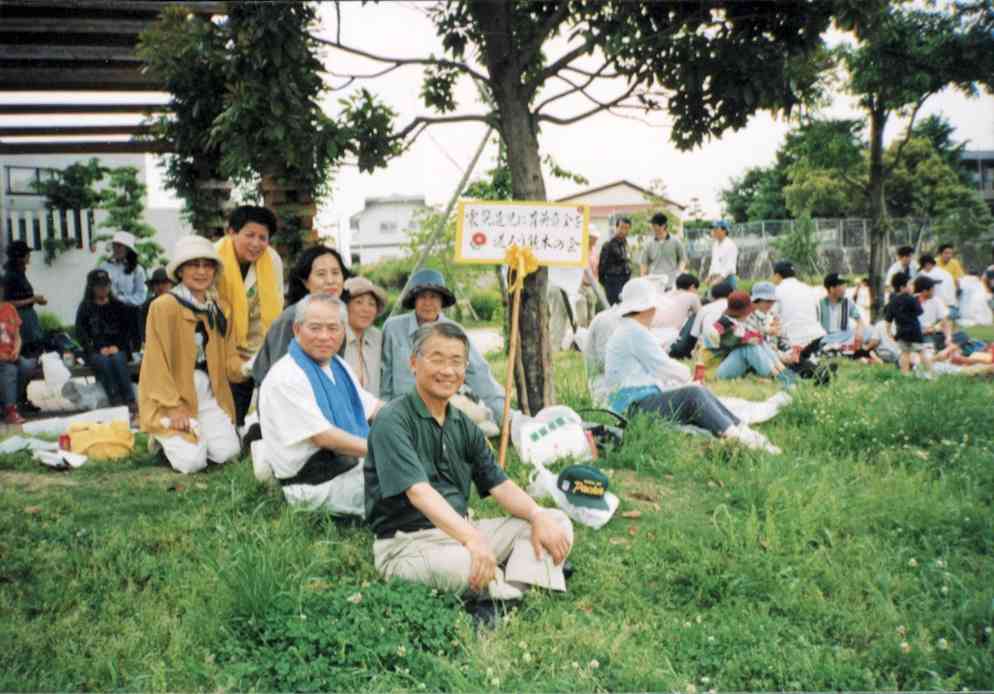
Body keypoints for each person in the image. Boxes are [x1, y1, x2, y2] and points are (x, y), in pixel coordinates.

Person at [365, 322, 574, 607]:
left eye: (456, 362)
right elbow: (419, 493)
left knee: (555, 522)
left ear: (465, 369)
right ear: (413, 363)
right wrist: (473, 540)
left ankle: (504, 587)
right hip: (409, 545)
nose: (448, 371)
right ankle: (522, 580)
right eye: (437, 359)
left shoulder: (463, 424)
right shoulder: (392, 419)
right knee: (461, 566)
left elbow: (500, 485)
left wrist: (537, 514)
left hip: (464, 532)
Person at [603, 278, 780, 453]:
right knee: (693, 393)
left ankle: (740, 428)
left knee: (699, 392)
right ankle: (735, 435)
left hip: (633, 402)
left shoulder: (629, 329)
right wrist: (686, 375)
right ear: (647, 308)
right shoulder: (635, 332)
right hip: (633, 407)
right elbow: (664, 367)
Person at [258, 294, 381, 514]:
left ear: (344, 331)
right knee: (408, 487)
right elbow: (324, 437)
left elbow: (372, 407)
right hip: (312, 485)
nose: (325, 337)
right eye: (315, 328)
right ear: (297, 329)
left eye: (333, 328)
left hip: (346, 465)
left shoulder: (337, 364)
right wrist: (387, 450)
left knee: (421, 470)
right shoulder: (287, 376)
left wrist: (415, 420)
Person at [139, 235, 245, 474]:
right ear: (180, 270)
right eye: (193, 265)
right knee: (192, 463)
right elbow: (155, 362)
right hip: (173, 394)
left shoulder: (217, 309)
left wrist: (249, 368)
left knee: (228, 452)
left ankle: (195, 434)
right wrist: (172, 406)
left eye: (207, 265)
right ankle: (162, 435)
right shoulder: (164, 306)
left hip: (207, 392)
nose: (201, 272)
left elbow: (229, 359)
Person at [380, 269, 506, 424]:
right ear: (414, 300)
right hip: (403, 407)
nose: (428, 303)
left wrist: (504, 414)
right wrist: (384, 412)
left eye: (433, 297)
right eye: (422, 297)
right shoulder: (393, 327)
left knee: (476, 416)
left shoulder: (455, 330)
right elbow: (385, 374)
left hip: (442, 406)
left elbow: (479, 373)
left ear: (441, 301)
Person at [214, 205, 285, 426]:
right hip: (223, 344)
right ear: (232, 232)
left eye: (263, 237)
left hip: (259, 343)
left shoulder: (272, 260)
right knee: (231, 412)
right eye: (250, 235)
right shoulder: (213, 257)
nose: (256, 243)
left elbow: (277, 303)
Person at [252, 245, 350, 387]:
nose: (330, 280)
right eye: (321, 274)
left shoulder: (339, 317)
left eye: (335, 273)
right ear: (305, 282)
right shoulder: (291, 318)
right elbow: (279, 378)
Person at [75, 269, 137, 414]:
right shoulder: (85, 307)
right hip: (96, 351)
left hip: (118, 349)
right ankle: (115, 399)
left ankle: (130, 400)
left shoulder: (119, 306)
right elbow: (81, 333)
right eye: (98, 286)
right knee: (103, 362)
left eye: (105, 285)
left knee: (117, 359)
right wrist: (96, 349)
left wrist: (118, 346)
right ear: (91, 287)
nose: (103, 289)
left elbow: (127, 332)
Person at [702, 291, 795, 386]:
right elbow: (747, 339)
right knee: (749, 347)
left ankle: (785, 375)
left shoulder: (731, 322)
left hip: (723, 364)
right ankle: (782, 379)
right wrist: (766, 332)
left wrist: (764, 332)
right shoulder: (723, 326)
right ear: (744, 312)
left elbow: (753, 336)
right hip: (712, 372)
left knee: (758, 341)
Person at [99, 231, 147, 347]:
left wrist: (121, 299)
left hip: (129, 314)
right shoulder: (104, 267)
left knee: (131, 348)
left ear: (127, 249)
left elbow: (141, 296)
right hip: (108, 312)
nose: (117, 249)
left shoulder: (137, 270)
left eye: (120, 246)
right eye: (115, 245)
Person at [343, 276, 387, 397]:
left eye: (371, 304)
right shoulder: (335, 337)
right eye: (359, 302)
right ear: (345, 306)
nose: (366, 309)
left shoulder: (378, 337)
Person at [2, 240, 46, 359]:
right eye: (27, 253)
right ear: (19, 257)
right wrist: (32, 300)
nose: (29, 256)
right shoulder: (10, 276)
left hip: (28, 317)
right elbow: (7, 302)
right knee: (27, 353)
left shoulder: (20, 273)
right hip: (20, 319)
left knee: (36, 352)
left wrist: (35, 300)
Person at [668, 280, 732, 360]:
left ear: (712, 295)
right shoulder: (737, 308)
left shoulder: (705, 309)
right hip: (729, 349)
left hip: (707, 349)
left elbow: (694, 335)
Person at [0, 283, 36, 424]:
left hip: (11, 354)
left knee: (28, 366)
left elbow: (17, 336)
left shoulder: (9, 308)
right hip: (2, 358)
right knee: (10, 370)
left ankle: (8, 401)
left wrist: (16, 349)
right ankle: (10, 410)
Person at [883, 272, 931, 376]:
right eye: (910, 284)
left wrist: (889, 332)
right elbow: (920, 312)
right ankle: (930, 372)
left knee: (905, 353)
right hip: (914, 331)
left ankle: (904, 373)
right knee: (921, 351)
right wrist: (919, 301)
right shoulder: (911, 299)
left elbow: (888, 319)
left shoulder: (892, 301)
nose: (912, 287)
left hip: (901, 332)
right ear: (902, 287)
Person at [772, 261, 826, 349]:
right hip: (817, 336)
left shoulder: (776, 291)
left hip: (793, 343)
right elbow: (818, 314)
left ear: (777, 275)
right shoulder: (808, 288)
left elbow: (772, 318)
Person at [816, 273, 863, 351]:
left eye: (845, 285)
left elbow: (860, 321)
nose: (845, 288)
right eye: (842, 286)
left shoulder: (847, 302)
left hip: (846, 339)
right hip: (827, 340)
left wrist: (859, 332)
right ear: (832, 289)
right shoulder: (820, 304)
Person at [640, 212, 686, 288]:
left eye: (654, 225)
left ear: (663, 226)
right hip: (654, 282)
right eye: (652, 225)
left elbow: (682, 259)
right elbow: (643, 263)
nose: (652, 227)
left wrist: (679, 273)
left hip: (671, 281)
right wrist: (642, 279)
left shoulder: (676, 241)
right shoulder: (648, 243)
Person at [914, 275, 952, 355]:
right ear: (924, 291)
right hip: (918, 335)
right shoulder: (911, 302)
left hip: (934, 334)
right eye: (932, 289)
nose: (934, 291)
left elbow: (945, 321)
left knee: (961, 336)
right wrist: (925, 331)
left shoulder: (936, 300)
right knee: (927, 347)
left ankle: (944, 350)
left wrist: (948, 337)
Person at [598, 216, 632, 305]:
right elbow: (601, 267)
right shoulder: (608, 245)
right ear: (616, 227)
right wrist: (607, 283)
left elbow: (626, 261)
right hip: (613, 282)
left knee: (624, 308)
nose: (623, 231)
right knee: (616, 309)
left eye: (626, 228)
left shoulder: (625, 244)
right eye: (621, 227)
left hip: (625, 282)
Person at [140, 267, 173, 347]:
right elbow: (143, 333)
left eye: (164, 282)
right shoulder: (146, 306)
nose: (160, 286)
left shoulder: (180, 304)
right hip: (154, 346)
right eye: (157, 283)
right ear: (153, 286)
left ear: (171, 284)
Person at [576, 230, 601, 328]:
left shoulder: (595, 251)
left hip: (591, 287)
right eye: (593, 237)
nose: (595, 240)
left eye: (596, 238)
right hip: (580, 287)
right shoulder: (580, 250)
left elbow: (597, 268)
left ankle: (589, 339)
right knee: (582, 317)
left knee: (592, 317)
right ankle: (580, 340)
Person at [706, 220, 737, 288]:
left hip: (727, 278)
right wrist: (709, 275)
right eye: (712, 228)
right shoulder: (715, 244)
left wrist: (720, 279)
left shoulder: (730, 245)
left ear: (724, 231)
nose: (713, 231)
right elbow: (713, 262)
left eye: (716, 228)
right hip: (716, 278)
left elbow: (730, 266)